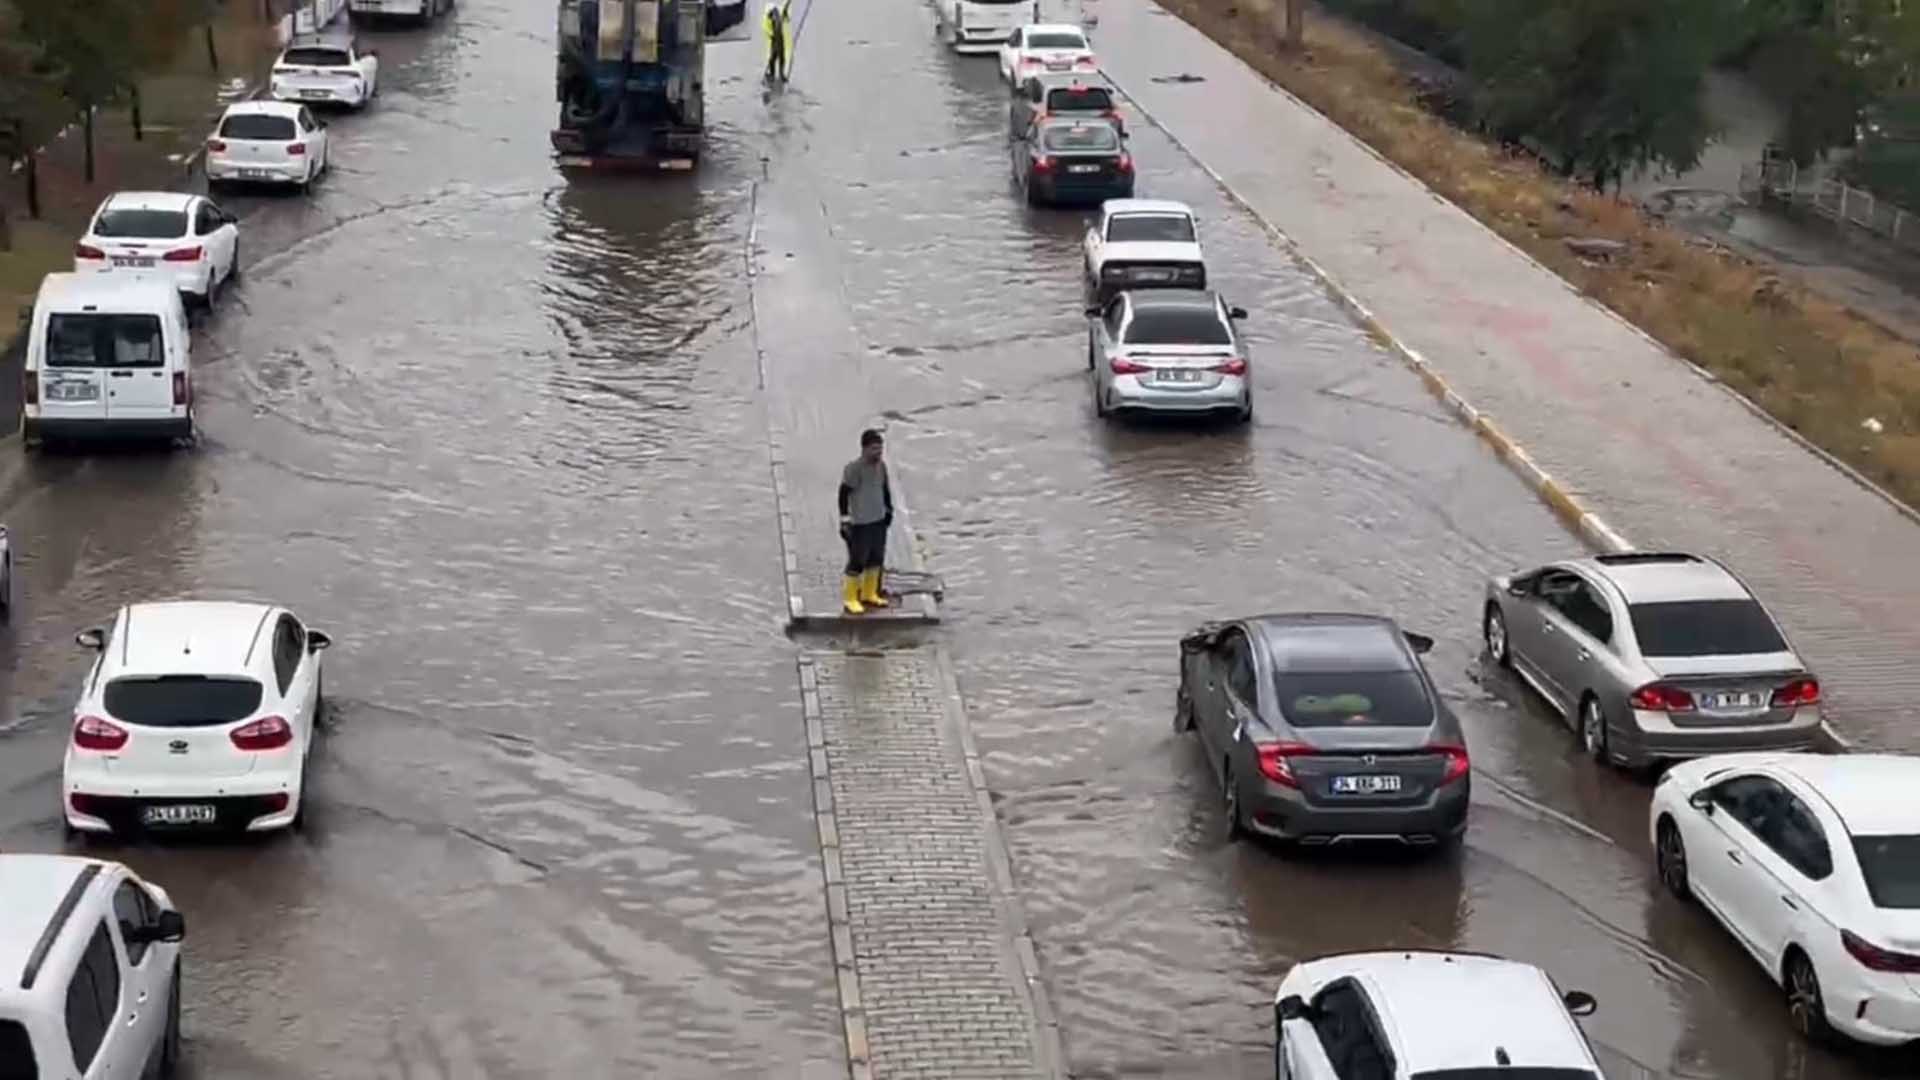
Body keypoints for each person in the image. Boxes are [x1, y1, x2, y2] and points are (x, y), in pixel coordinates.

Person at [838, 428, 893, 615]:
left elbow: (885, 489)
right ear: (864, 449)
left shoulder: (882, 466)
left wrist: (889, 508)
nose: (878, 452)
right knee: (857, 561)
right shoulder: (854, 469)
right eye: (874, 449)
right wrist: (844, 519)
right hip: (860, 522)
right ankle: (850, 598)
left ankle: (869, 594)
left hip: (878, 519)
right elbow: (843, 493)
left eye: (880, 448)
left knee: (875, 558)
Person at [764, 1, 789, 84]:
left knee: (781, 56)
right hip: (775, 37)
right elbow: (766, 28)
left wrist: (785, 14)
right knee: (774, 57)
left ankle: (780, 74)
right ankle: (773, 75)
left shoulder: (779, 13)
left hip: (779, 37)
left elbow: (786, 19)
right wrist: (771, 35)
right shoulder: (769, 17)